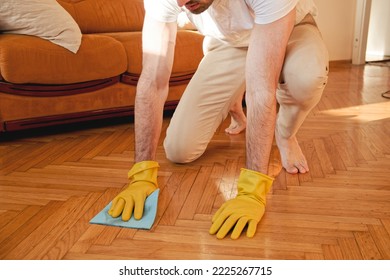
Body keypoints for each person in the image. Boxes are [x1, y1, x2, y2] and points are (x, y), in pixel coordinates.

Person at [108, 0, 329, 239]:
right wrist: (141, 173)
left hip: (287, 27)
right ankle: (232, 97)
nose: (182, 2)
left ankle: (286, 134)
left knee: (306, 77)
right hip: (231, 42)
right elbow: (153, 81)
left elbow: (261, 91)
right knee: (179, 149)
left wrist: (252, 190)